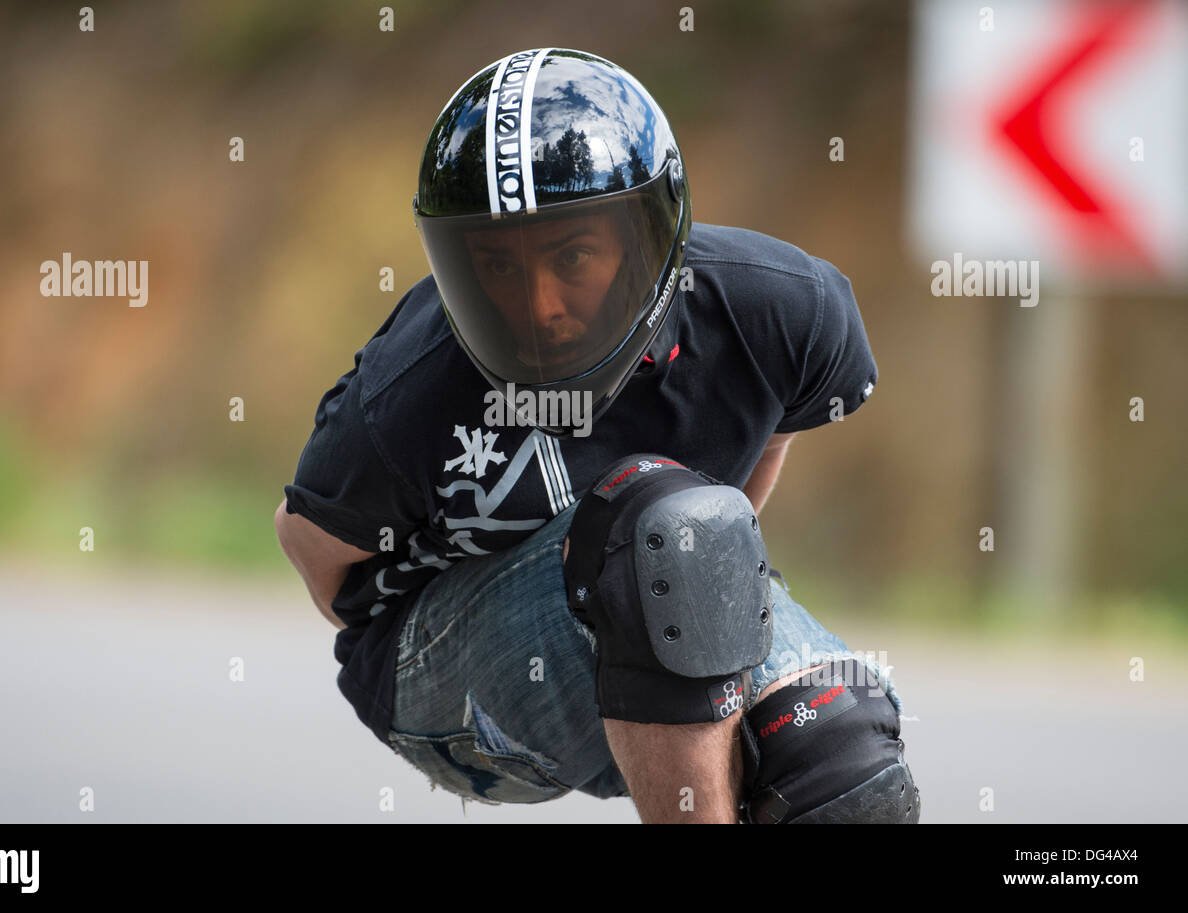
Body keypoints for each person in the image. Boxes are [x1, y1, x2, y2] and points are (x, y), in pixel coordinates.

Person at [275, 48, 919, 823]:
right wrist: (584, 617)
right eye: (496, 267)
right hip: (431, 673)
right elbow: (314, 550)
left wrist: (680, 622)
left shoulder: (787, 313)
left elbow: (758, 450)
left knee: (836, 759)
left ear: (649, 231)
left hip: (646, 581)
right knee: (665, 539)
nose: (540, 304)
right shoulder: (411, 386)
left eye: (573, 255)